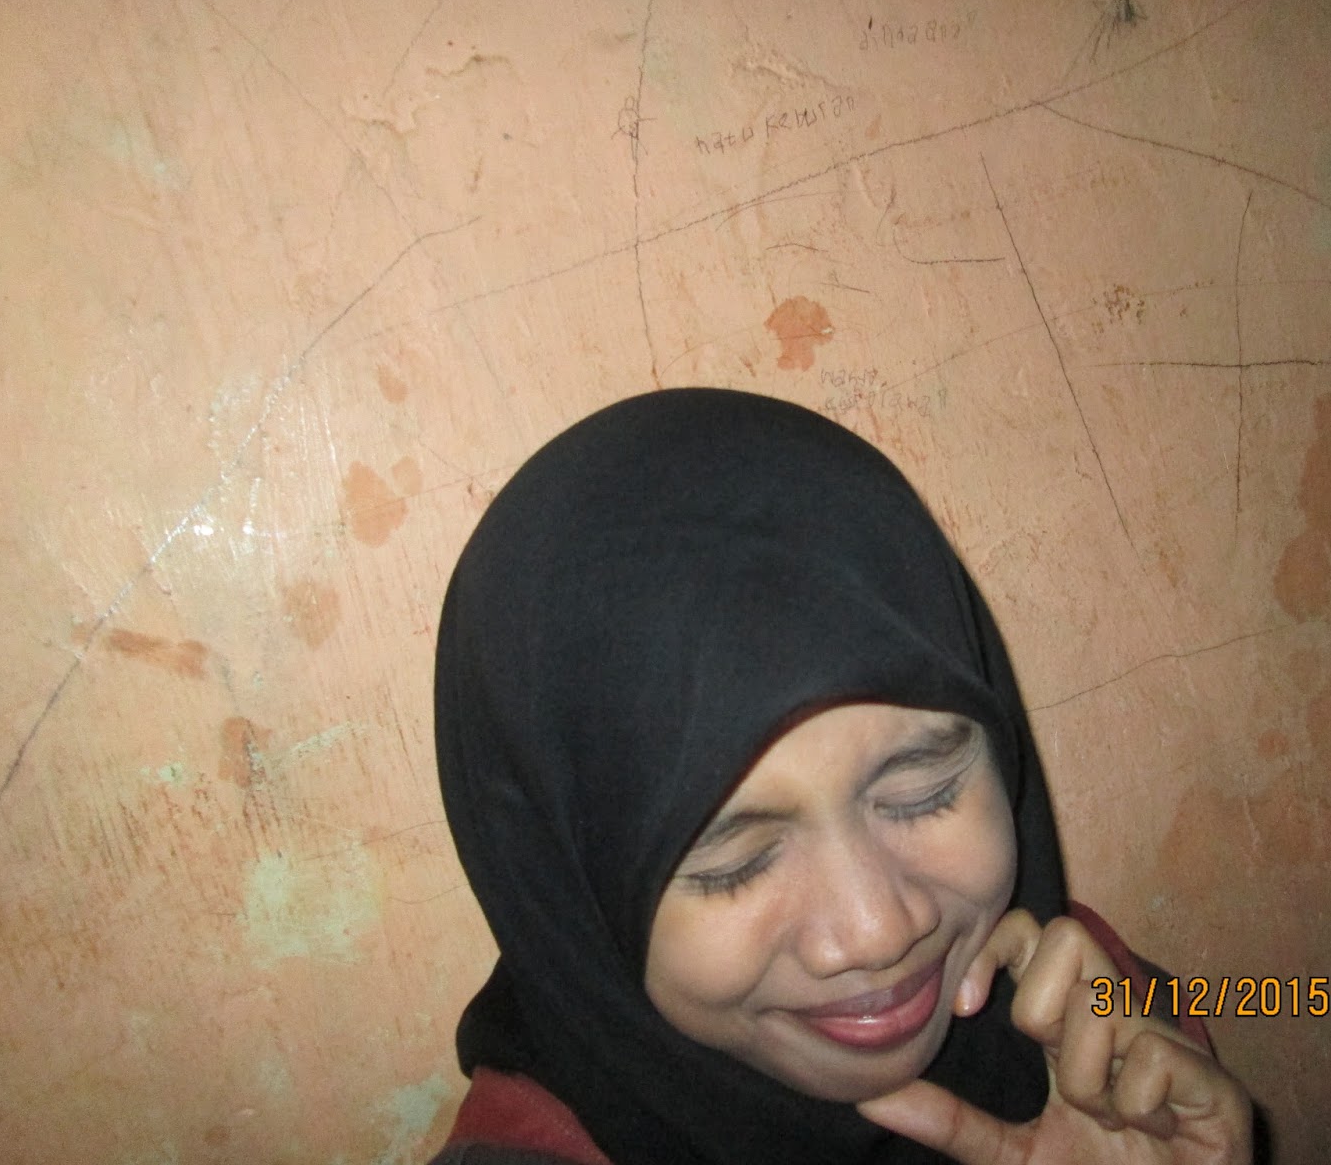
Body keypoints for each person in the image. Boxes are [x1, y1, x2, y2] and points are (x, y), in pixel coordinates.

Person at [429, 389, 1252, 1165]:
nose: (878, 932)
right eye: (733, 864)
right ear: (567, 897)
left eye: (924, 791)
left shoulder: (1094, 1013)